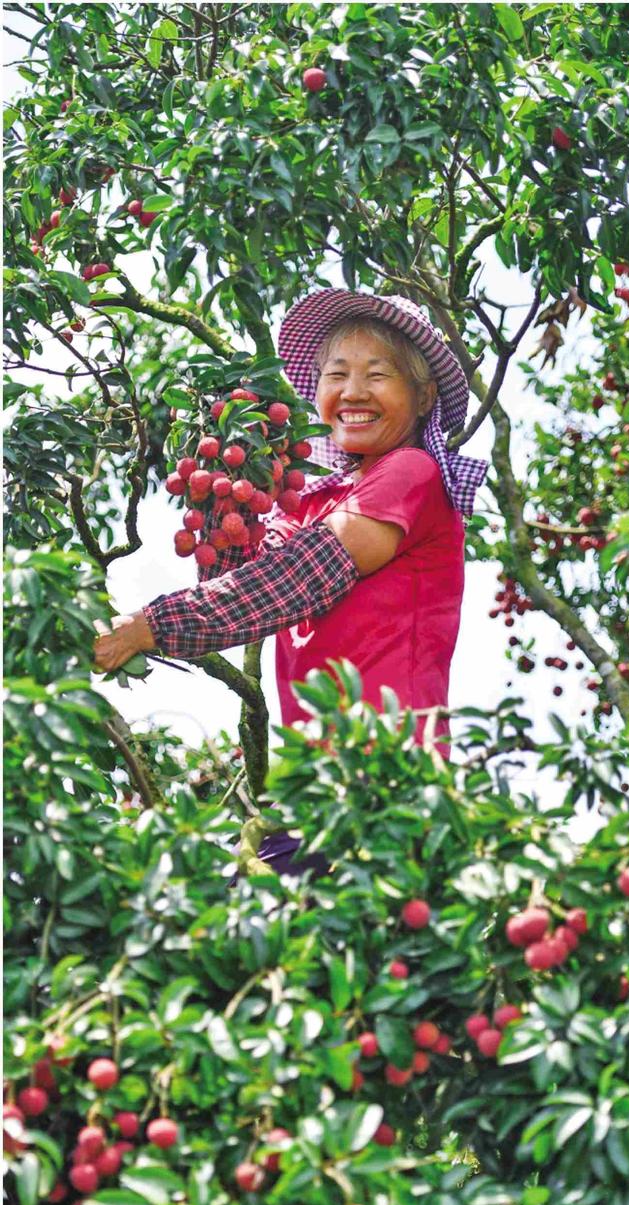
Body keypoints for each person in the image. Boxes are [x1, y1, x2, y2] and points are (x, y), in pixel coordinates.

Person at [94, 290, 489, 879]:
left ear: (424, 395)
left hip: (386, 781)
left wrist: (151, 627)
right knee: (246, 936)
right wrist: (233, 472)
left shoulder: (411, 472)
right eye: (337, 375)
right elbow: (241, 580)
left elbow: (297, 578)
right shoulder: (316, 499)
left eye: (377, 375)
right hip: (317, 791)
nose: (352, 392)